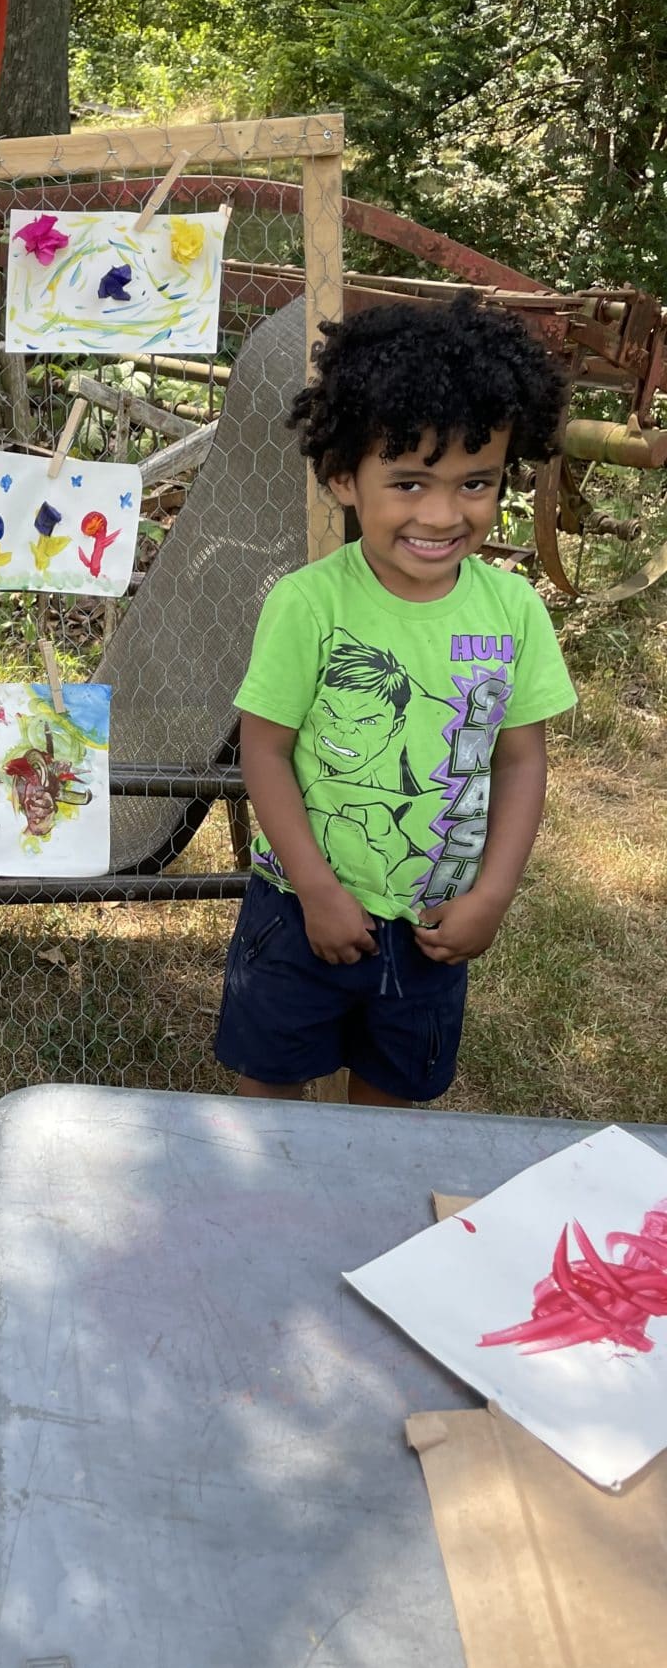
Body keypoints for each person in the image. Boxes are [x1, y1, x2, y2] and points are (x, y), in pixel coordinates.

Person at [214, 294, 577, 1105]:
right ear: (345, 476)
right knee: (269, 1096)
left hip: (434, 930)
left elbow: (522, 764)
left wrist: (491, 897)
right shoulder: (307, 605)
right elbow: (263, 749)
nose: (443, 514)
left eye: (475, 483)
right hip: (297, 911)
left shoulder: (514, 612)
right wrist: (316, 889)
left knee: (389, 1116)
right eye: (409, 481)